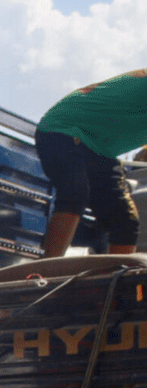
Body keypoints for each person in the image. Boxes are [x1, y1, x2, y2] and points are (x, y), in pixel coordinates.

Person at [35, 69, 147, 257]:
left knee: (125, 219)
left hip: (100, 147)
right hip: (64, 128)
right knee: (75, 192)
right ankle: (47, 268)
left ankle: (118, 275)